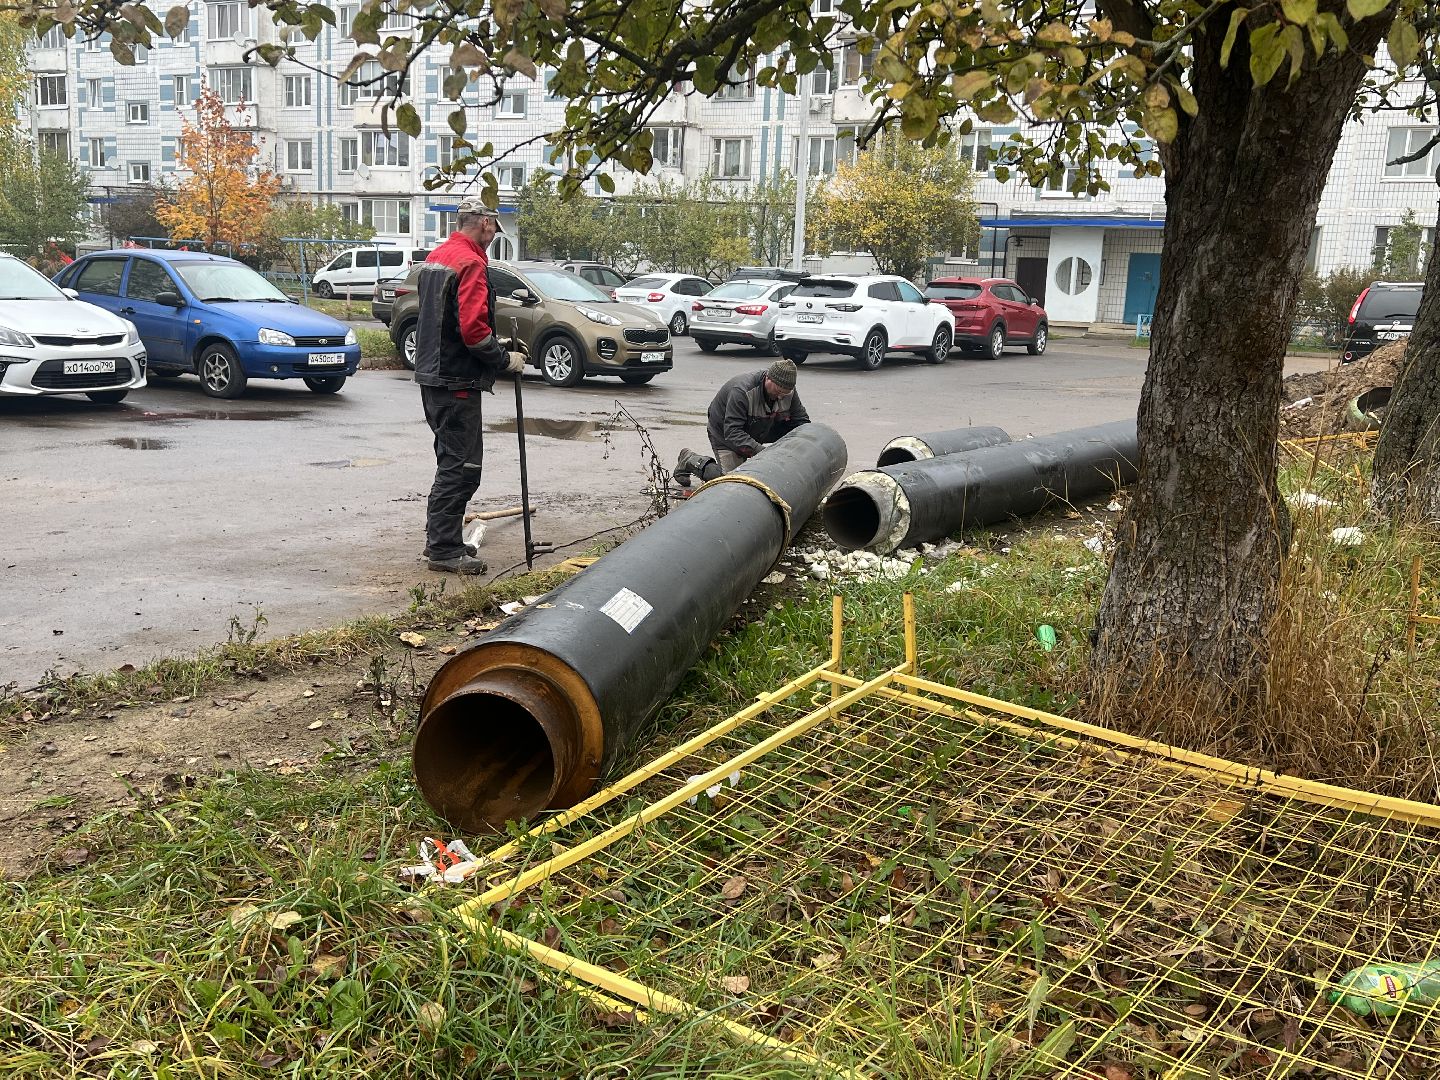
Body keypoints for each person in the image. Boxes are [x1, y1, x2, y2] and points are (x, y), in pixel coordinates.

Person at [413, 197, 527, 574]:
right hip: (456, 379)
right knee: (461, 467)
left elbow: (447, 322)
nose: (495, 234)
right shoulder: (471, 262)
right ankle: (444, 549)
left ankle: (443, 541)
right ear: (484, 224)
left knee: (452, 461)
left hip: (434, 374)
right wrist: (503, 360)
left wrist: (500, 345)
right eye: (494, 226)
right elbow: (474, 332)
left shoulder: (439, 256)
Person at [673, 358, 810, 487]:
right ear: (768, 378)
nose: (781, 397)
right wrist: (762, 452)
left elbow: (801, 421)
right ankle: (690, 460)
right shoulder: (742, 391)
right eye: (778, 391)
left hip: (758, 427)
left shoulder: (787, 391)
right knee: (732, 481)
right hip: (725, 432)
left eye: (785, 394)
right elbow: (733, 432)